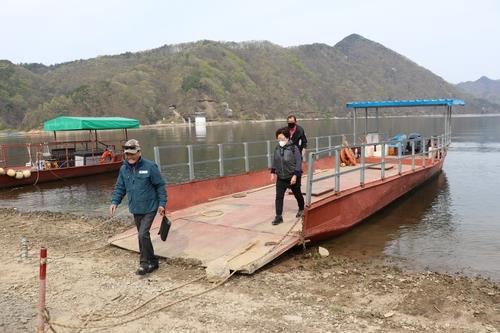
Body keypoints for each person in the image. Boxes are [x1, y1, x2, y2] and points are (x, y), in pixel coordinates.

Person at [110, 139, 167, 275]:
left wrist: (162, 204)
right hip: (136, 208)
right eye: (127, 155)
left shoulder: (150, 167)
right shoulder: (124, 169)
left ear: (139, 152)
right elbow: (120, 187)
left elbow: (160, 186)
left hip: (150, 206)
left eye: (132, 154)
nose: (130, 157)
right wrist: (115, 202)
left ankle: (144, 263)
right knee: (143, 236)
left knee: (142, 234)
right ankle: (153, 261)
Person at [270, 127, 305, 225]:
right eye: (278, 139)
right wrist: (273, 173)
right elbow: (275, 160)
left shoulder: (294, 148)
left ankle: (302, 209)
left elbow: (298, 162)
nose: (280, 141)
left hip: (292, 176)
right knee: (279, 197)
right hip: (281, 177)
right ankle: (278, 216)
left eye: (282, 139)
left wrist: (295, 176)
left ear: (287, 138)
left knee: (297, 193)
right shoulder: (277, 148)